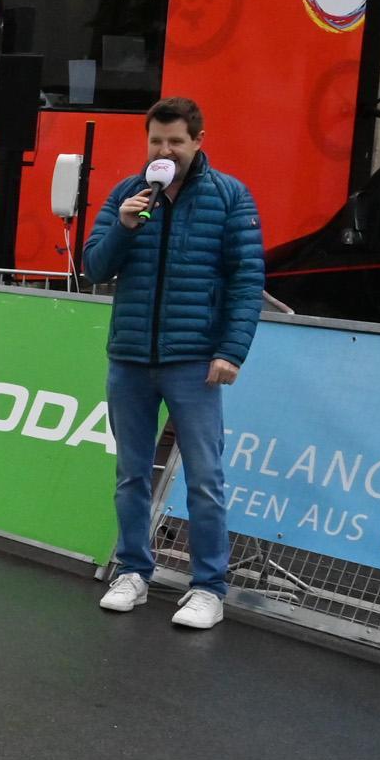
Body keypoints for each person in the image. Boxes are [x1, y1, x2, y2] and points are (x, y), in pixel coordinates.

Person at [83, 96, 263, 631]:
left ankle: (208, 588)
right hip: (131, 358)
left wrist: (231, 351)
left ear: (198, 142)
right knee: (131, 474)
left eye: (176, 142)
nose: (165, 150)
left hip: (194, 362)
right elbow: (94, 266)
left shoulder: (230, 196)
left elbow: (247, 279)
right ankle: (134, 572)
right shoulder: (127, 194)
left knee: (205, 478)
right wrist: (124, 225)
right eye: (157, 142)